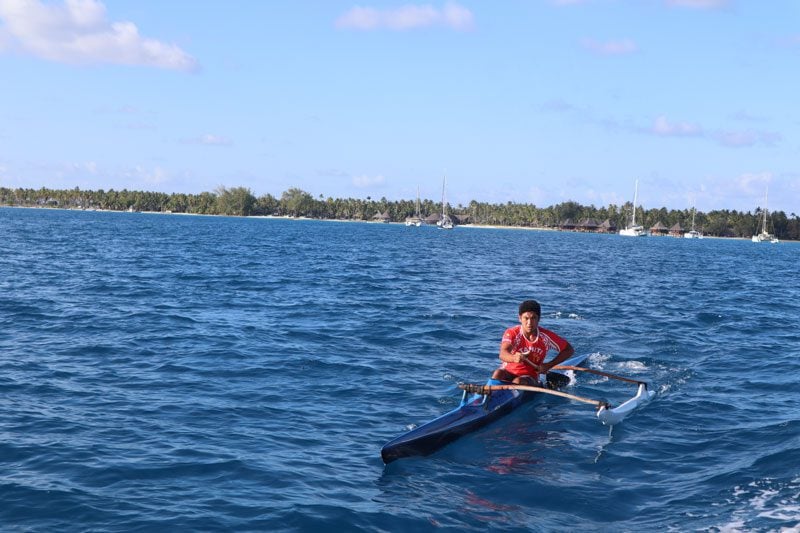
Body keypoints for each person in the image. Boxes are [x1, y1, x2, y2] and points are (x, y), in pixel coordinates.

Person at [491, 299, 575, 388]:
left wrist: (549, 365)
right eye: (526, 318)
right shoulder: (512, 333)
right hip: (508, 373)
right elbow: (502, 354)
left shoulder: (545, 336)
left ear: (539, 319)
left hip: (530, 378)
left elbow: (569, 350)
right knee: (498, 373)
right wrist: (514, 358)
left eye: (533, 318)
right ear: (520, 318)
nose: (529, 323)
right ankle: (488, 396)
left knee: (518, 381)